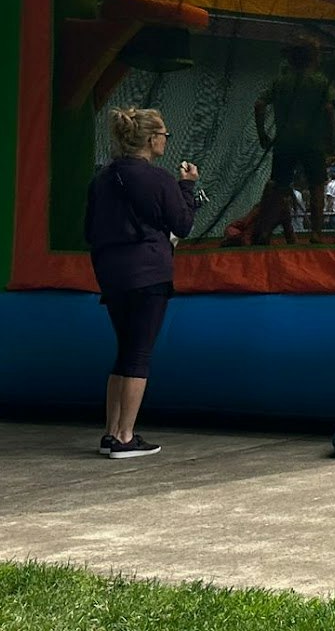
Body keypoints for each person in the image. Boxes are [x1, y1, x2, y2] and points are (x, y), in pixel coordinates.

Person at [83, 107, 200, 459]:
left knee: (124, 351)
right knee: (139, 355)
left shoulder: (102, 178)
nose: (166, 139)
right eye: (164, 134)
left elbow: (89, 228)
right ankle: (125, 436)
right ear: (151, 139)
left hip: (111, 272)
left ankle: (110, 431)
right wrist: (188, 188)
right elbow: (183, 225)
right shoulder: (159, 179)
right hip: (149, 271)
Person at [253, 41, 335, 243]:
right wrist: (331, 138)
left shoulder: (281, 82)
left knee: (278, 186)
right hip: (312, 143)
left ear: (291, 59)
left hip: (285, 143)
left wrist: (262, 134)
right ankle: (316, 233)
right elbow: (329, 110)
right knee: (317, 186)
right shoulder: (320, 81)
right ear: (314, 59)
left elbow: (259, 105)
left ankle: (264, 230)